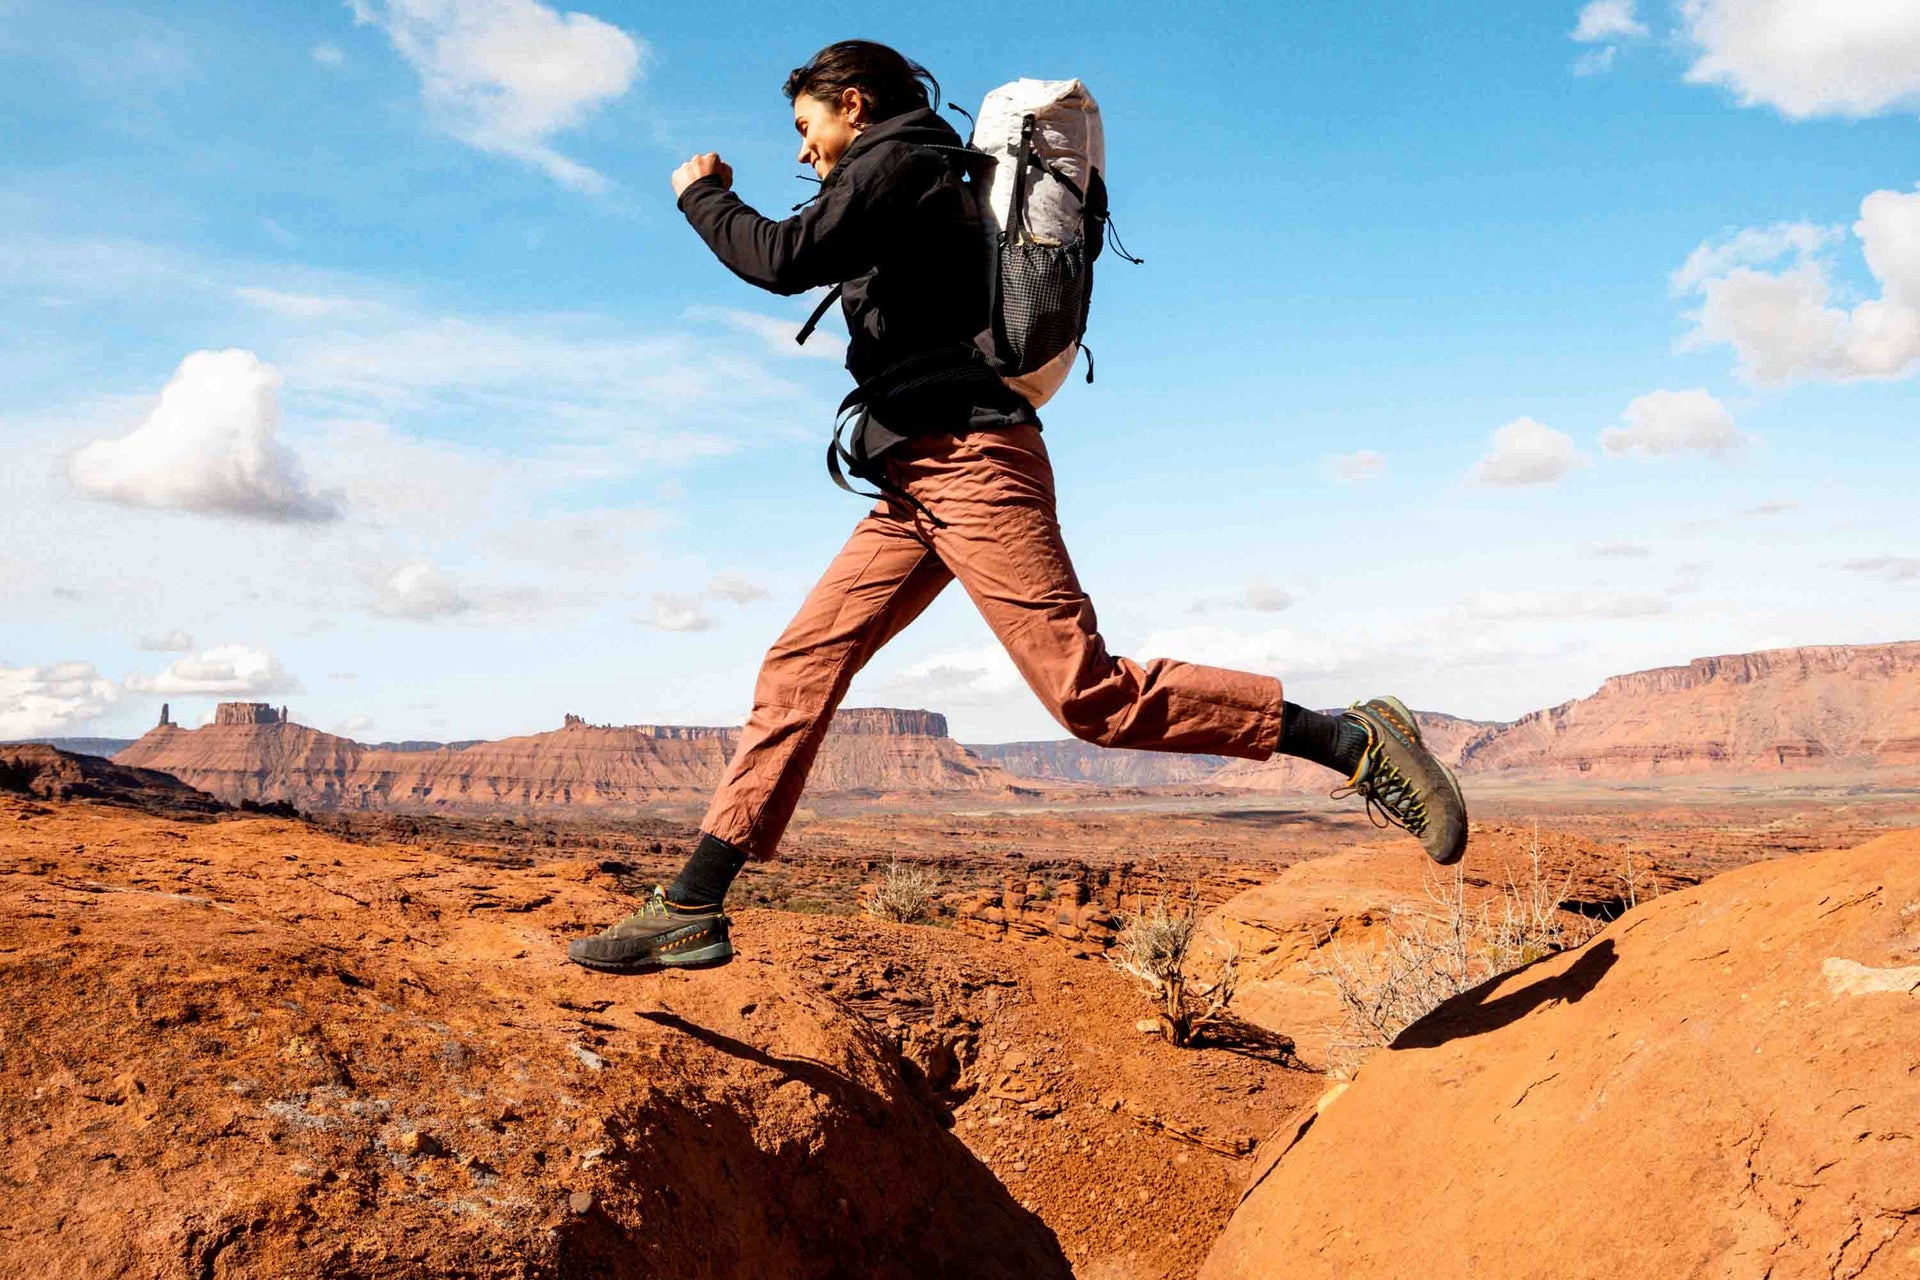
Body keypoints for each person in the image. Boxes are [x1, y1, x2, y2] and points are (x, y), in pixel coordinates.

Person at [567, 40, 1467, 974]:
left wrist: (701, 193)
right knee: (801, 662)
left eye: (807, 128)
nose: (803, 153)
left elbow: (783, 258)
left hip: (970, 460)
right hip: (916, 476)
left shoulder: (904, 160)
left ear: (855, 105)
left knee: (1088, 696)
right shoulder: (895, 171)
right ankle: (692, 905)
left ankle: (1350, 739)